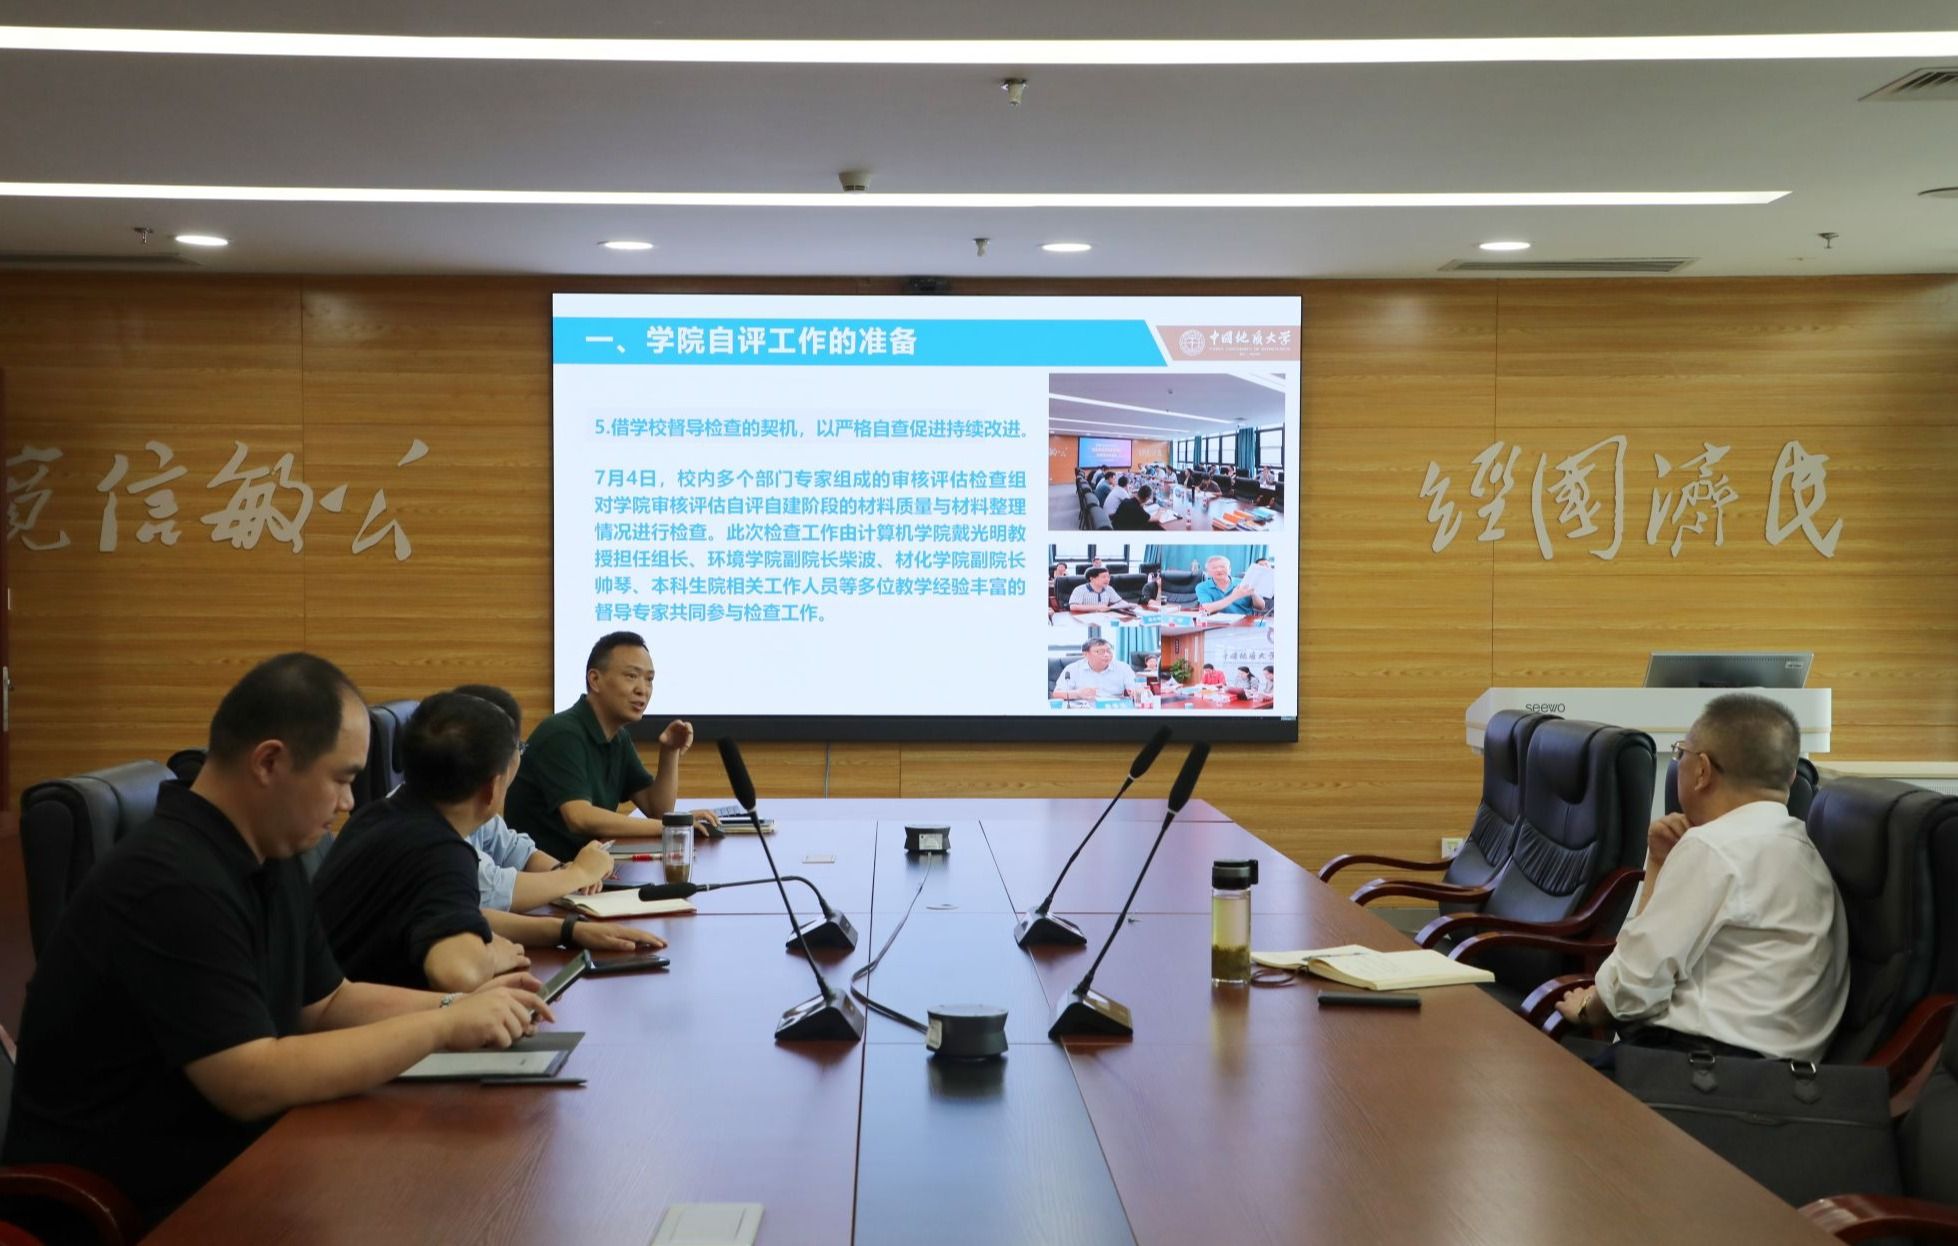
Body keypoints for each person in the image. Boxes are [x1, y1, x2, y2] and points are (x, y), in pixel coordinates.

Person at [1, 654, 549, 1224]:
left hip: (242, 1164)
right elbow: (249, 1079)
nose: (348, 803)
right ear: (269, 762)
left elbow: (328, 1002)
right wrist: (442, 1025)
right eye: (341, 779)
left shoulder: (269, 856)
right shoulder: (170, 881)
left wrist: (463, 1008)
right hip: (139, 1206)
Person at [1555, 694, 1848, 1062]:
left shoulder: (1714, 847)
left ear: (1702, 771)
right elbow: (1645, 964)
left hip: (1697, 1069)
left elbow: (1632, 991)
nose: (1679, 762)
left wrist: (1587, 1010)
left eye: (1681, 753)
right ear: (1789, 777)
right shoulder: (1805, 848)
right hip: (1776, 1076)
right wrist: (1659, 863)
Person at [315, 692, 667, 990]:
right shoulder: (439, 850)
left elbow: (462, 914)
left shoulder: (385, 816)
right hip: (351, 1030)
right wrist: (492, 955)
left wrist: (566, 930)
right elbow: (457, 972)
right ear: (492, 786)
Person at [503, 632, 718, 863]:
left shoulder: (618, 737)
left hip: (587, 870)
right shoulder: (562, 733)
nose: (642, 689)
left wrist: (670, 752)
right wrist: (670, 825)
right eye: (631, 676)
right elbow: (579, 817)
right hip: (547, 874)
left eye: (649, 679)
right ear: (595, 680)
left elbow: (657, 810)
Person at [450, 684, 617, 912]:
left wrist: (562, 871)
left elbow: (515, 850)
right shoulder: (433, 832)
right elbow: (490, 893)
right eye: (519, 747)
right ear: (494, 778)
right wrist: (578, 874)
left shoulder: (464, 805)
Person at [1052, 638, 1137, 703]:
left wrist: (1136, 691)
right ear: (1086, 654)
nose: (1106, 655)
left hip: (1113, 708)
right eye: (1100, 652)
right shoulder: (1073, 669)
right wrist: (1078, 693)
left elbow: (1134, 688)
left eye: (1109, 651)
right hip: (1084, 710)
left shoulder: (1123, 668)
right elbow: (1056, 694)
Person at [1194, 554, 1261, 615]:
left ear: (1229, 569)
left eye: (1222, 567)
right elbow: (1207, 609)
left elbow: (1260, 607)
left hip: (1246, 621)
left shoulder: (1244, 583)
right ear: (1207, 572)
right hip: (1217, 622)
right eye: (1214, 568)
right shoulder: (1202, 587)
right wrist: (1234, 596)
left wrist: (1253, 594)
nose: (1219, 570)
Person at [1066, 566, 1131, 615]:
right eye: (1103, 577)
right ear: (1092, 578)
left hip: (1104, 617)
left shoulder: (1109, 589)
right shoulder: (1080, 589)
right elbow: (1073, 607)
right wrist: (1097, 607)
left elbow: (1119, 601)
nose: (1107, 579)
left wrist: (1128, 605)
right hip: (1085, 617)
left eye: (1108, 577)